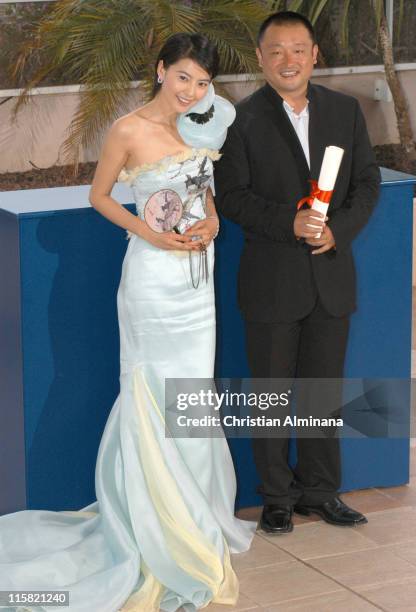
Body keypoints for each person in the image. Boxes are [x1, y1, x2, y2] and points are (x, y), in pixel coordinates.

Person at [0, 33, 255, 611]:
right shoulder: (128, 128)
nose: (192, 90)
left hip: (198, 278)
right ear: (162, 70)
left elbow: (203, 191)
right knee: (153, 391)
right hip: (152, 280)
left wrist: (211, 223)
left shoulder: (201, 127)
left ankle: (196, 511)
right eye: (184, 76)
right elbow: (100, 196)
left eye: (203, 82)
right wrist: (149, 234)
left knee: (191, 391)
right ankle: (155, 523)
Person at [215, 12, 381, 535]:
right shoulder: (240, 121)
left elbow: (367, 183)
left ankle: (319, 493)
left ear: (315, 55)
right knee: (269, 398)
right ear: (261, 59)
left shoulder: (345, 111)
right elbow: (233, 197)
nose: (288, 60)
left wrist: (340, 230)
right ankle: (276, 498)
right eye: (276, 51)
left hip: (330, 277)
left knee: (321, 394)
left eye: (298, 49)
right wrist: (288, 221)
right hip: (271, 281)